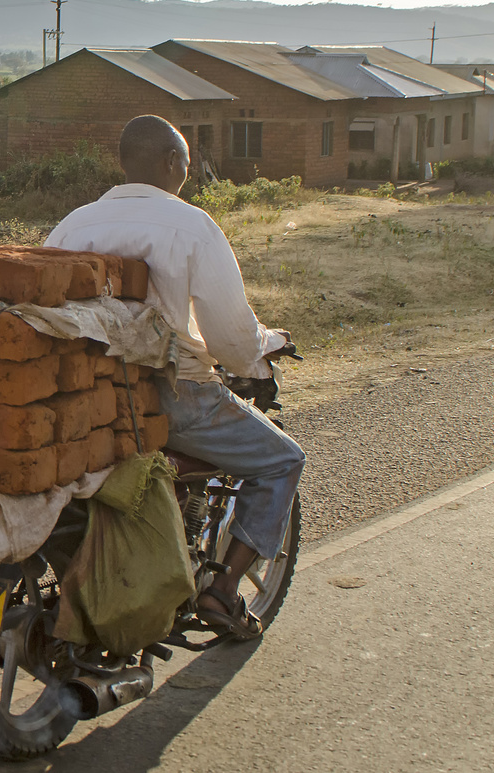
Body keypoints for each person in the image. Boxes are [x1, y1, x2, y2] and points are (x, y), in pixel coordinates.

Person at [45, 115, 305, 638]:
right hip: (170, 398)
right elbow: (231, 339)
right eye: (186, 165)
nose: (188, 175)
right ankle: (222, 590)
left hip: (89, 399)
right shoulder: (192, 226)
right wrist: (263, 351)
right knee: (282, 460)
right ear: (171, 164)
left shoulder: (73, 224)